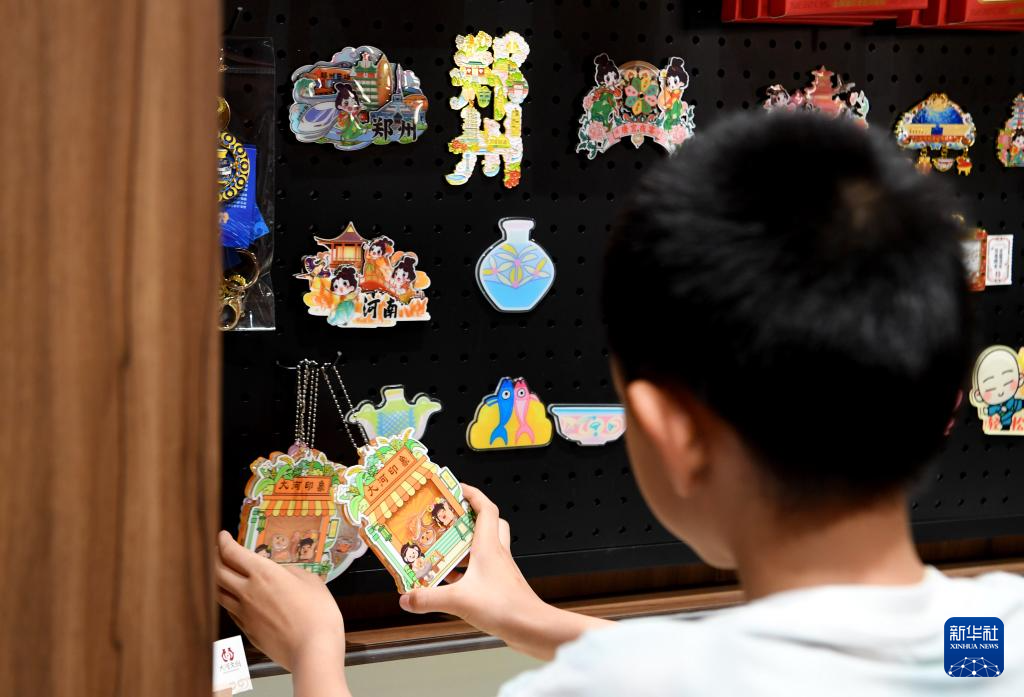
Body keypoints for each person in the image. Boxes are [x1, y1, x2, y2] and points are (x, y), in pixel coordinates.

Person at [214, 112, 1024, 696]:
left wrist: (315, 654)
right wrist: (528, 616)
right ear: (946, 406)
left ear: (675, 435)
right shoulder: (991, 639)